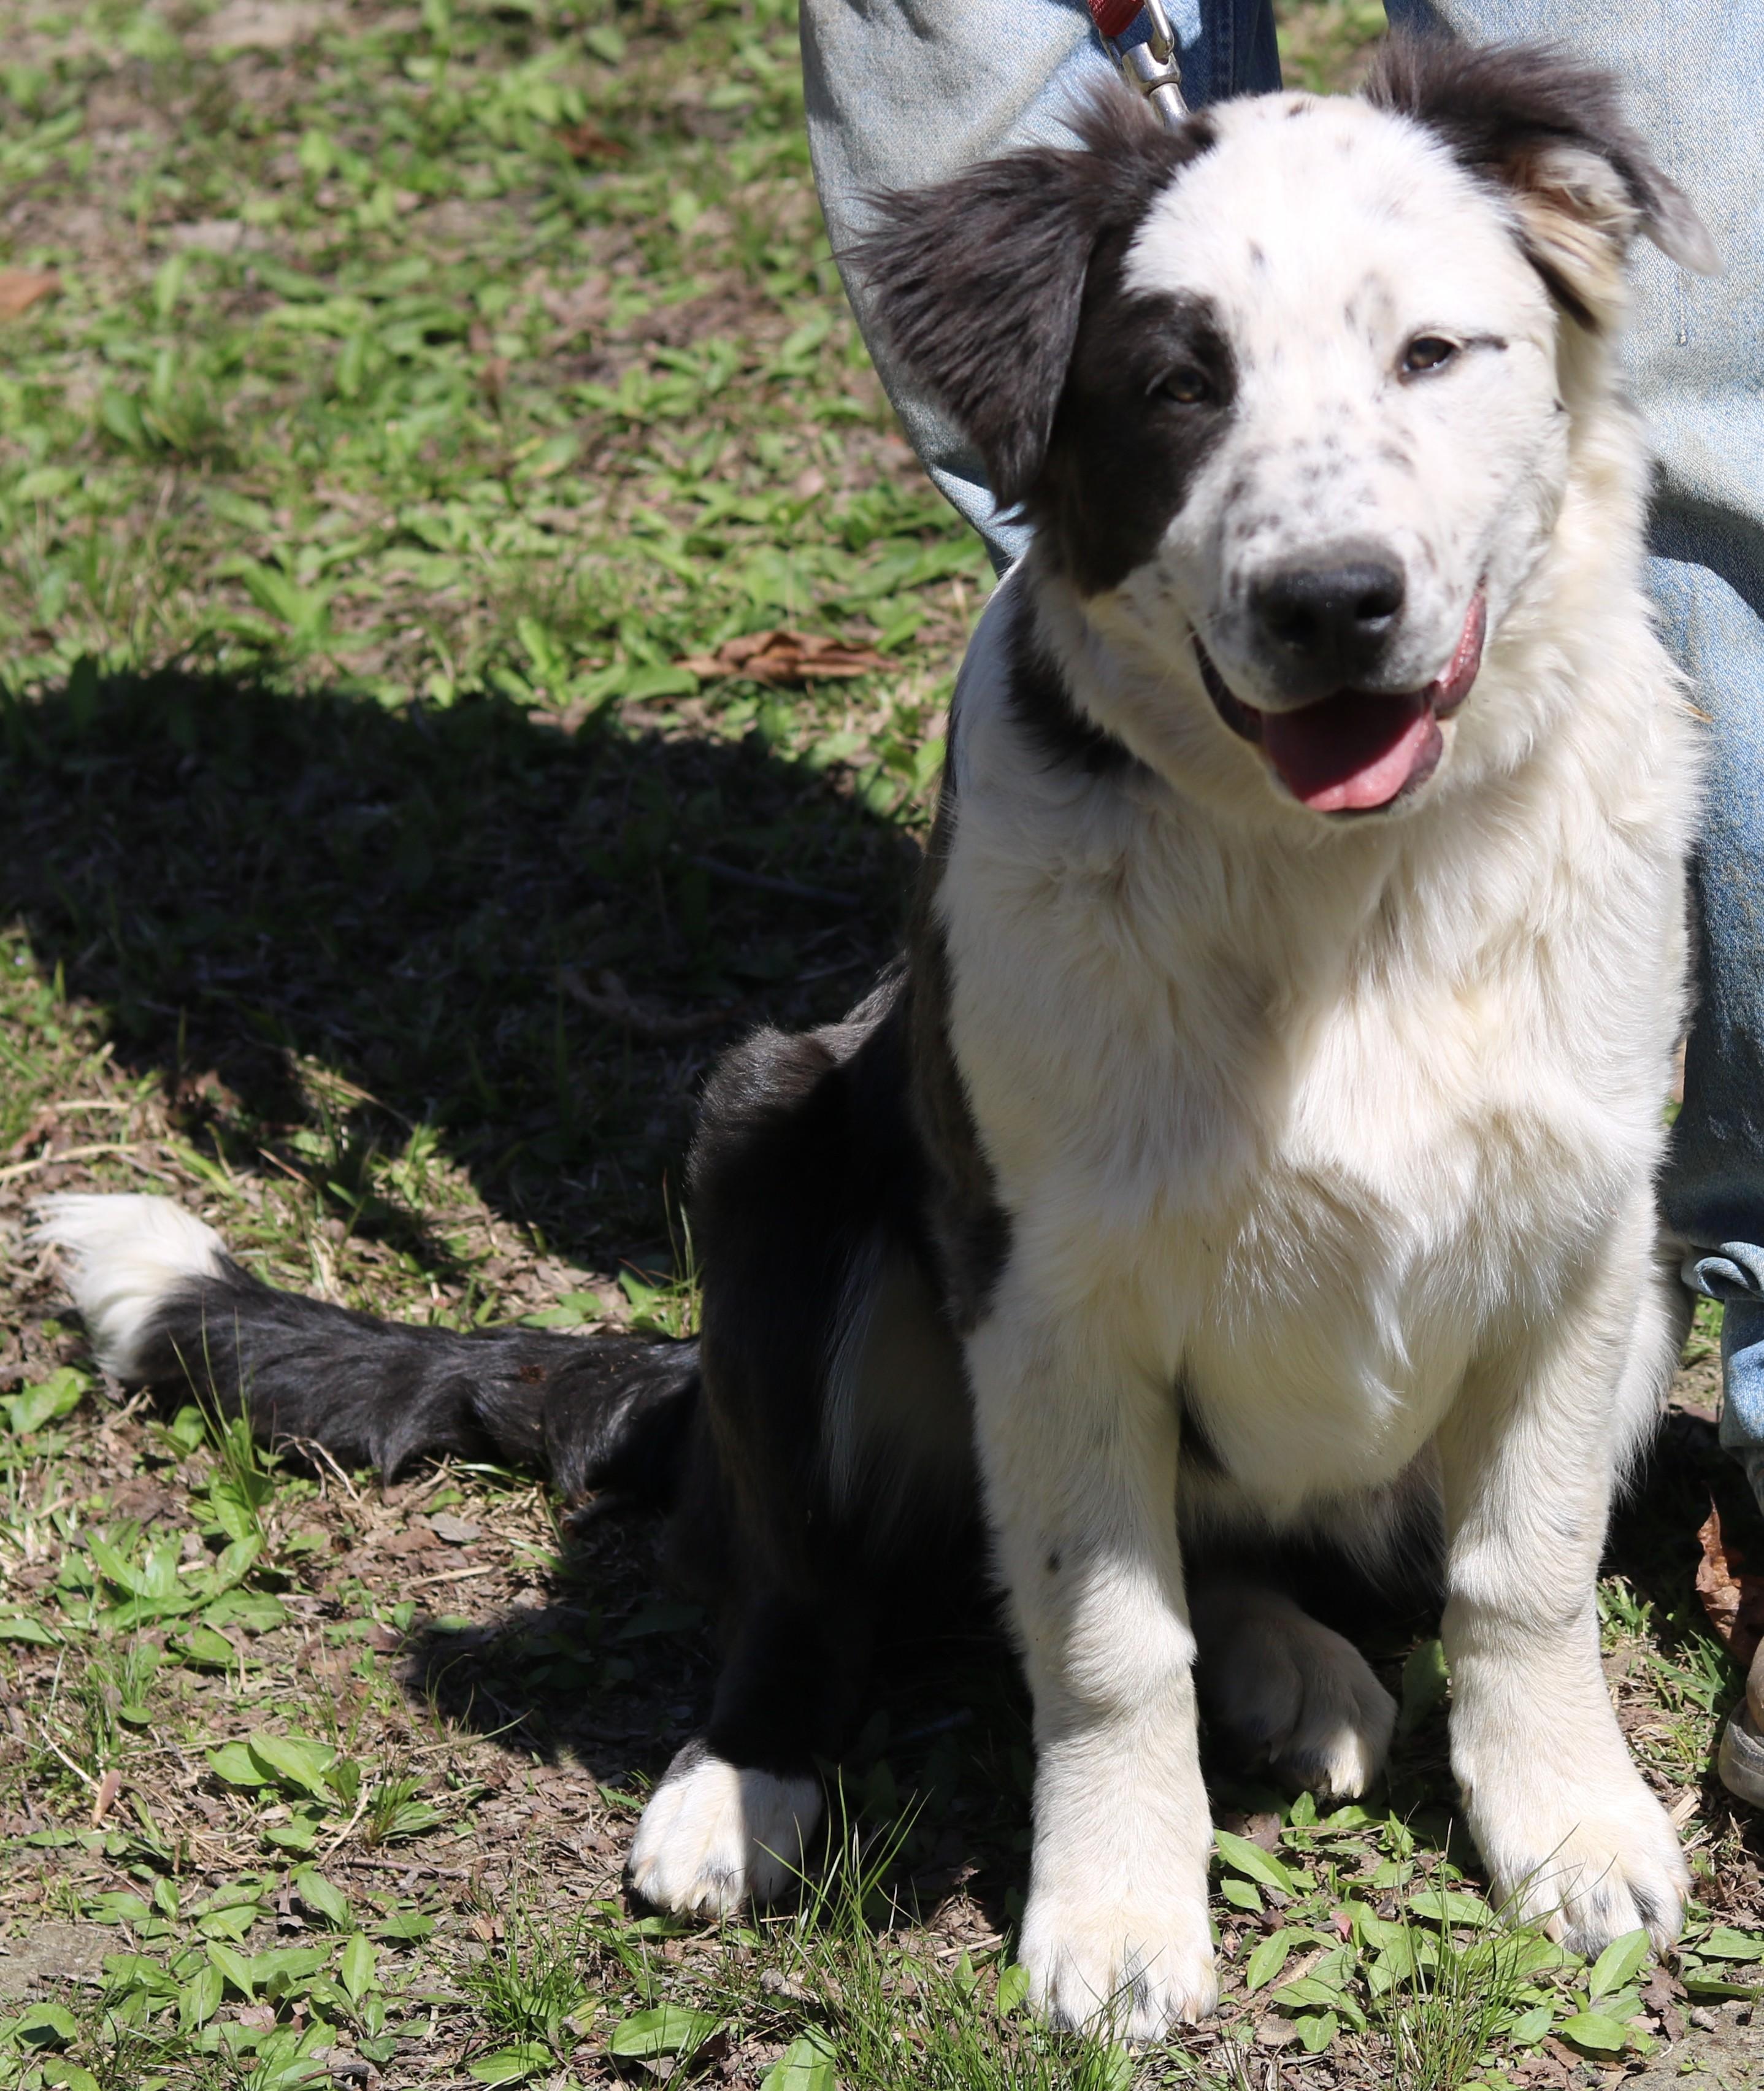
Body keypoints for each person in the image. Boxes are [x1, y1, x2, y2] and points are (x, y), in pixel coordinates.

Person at [797, 0, 1764, 1804]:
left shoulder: (1613, 739)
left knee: (1571, 1229)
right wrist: (1108, 1750)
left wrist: (1527, 1659)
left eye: (1428, 356)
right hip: (1119, 879)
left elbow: (1571, 1261)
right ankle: (1154, 1610)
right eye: (1182, 383)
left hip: (1523, 852)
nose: (1330, 540)